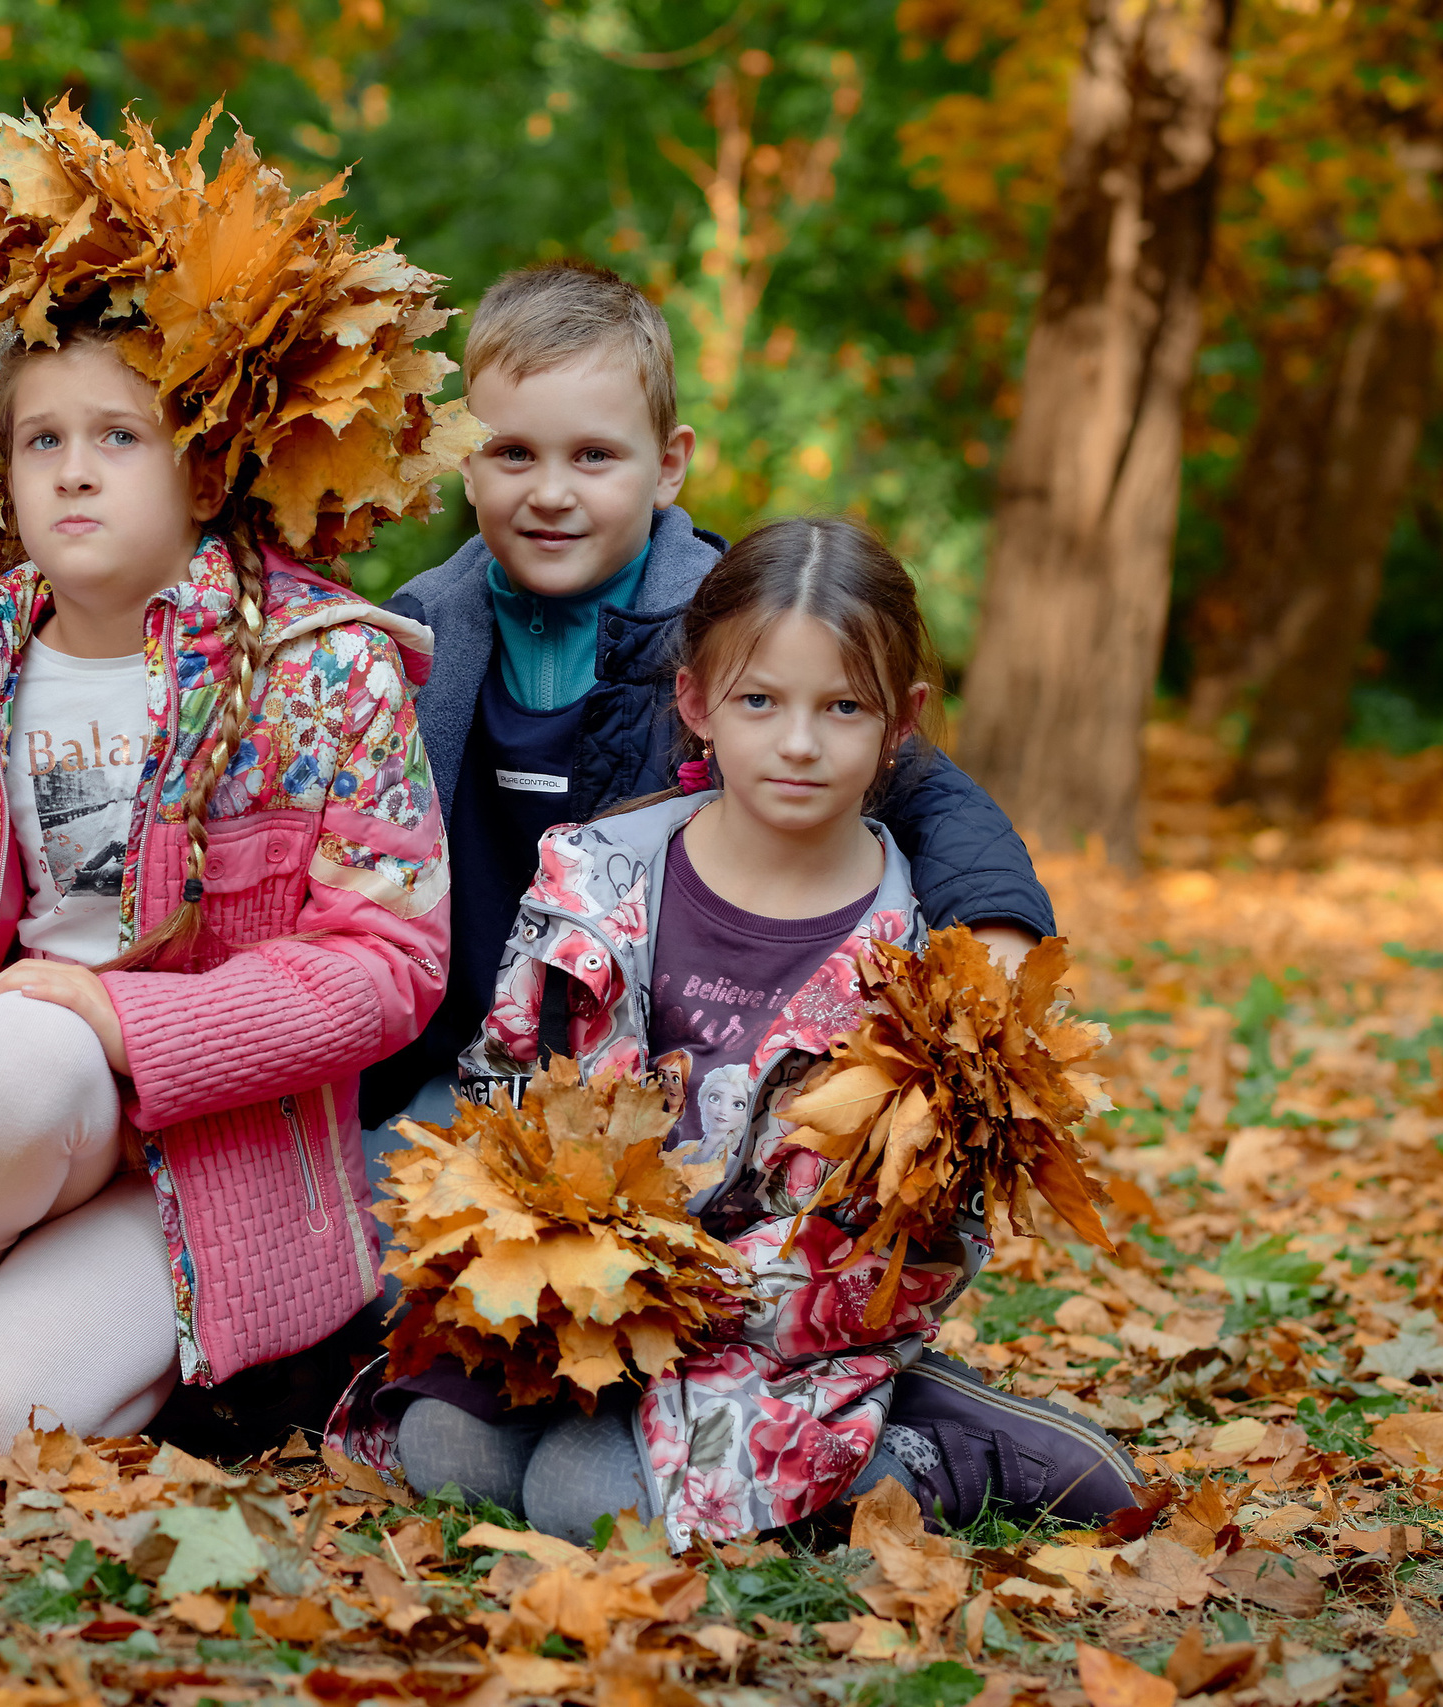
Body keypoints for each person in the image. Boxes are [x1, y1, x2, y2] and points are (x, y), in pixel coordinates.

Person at [0, 104, 465, 1454]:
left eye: (118, 436)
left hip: (210, 1146)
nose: (72, 471)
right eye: (40, 439)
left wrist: (125, 1025)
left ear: (205, 457)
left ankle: (167, 1329)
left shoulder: (320, 663)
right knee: (11, 1054)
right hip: (7, 1113)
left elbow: (390, 962)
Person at [330, 517, 1142, 1544]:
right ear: (697, 703)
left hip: (781, 1326)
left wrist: (687, 1300)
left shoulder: (924, 965)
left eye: (842, 707)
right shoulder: (592, 877)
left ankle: (939, 1446)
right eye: (759, 701)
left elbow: (929, 1236)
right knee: (446, 1457)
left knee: (581, 1506)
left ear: (902, 723)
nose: (797, 743)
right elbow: (505, 1093)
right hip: (584, 1302)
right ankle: (779, 1434)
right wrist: (557, 1269)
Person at [359, 260, 1053, 1157]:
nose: (552, 491)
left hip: (656, 1078)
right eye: (513, 453)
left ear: (669, 465)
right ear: (465, 462)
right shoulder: (409, 640)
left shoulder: (730, 635)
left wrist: (994, 926)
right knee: (383, 1277)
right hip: (451, 1066)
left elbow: (923, 787)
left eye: (596, 455)